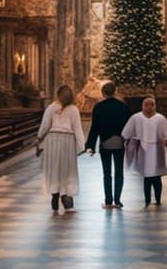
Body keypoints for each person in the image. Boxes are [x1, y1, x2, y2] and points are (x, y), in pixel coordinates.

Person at [36, 84, 85, 214]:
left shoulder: (51, 107)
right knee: (67, 170)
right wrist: (82, 146)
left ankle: (55, 194)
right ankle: (66, 195)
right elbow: (77, 128)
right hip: (67, 140)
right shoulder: (74, 109)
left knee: (54, 168)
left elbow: (45, 125)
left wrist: (39, 138)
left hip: (52, 140)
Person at [121, 95, 167, 207]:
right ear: (142, 106)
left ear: (155, 106)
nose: (149, 107)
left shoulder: (160, 118)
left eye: (152, 105)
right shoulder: (136, 118)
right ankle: (147, 200)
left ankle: (158, 199)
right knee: (146, 177)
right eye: (146, 105)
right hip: (143, 150)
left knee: (157, 176)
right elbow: (126, 133)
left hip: (157, 150)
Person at [85, 80, 131, 209]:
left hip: (104, 143)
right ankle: (118, 200)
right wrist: (128, 141)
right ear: (115, 91)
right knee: (119, 172)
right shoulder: (123, 106)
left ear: (102, 93)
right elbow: (128, 126)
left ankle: (108, 200)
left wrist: (90, 145)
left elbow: (95, 128)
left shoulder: (99, 107)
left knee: (107, 173)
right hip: (119, 143)